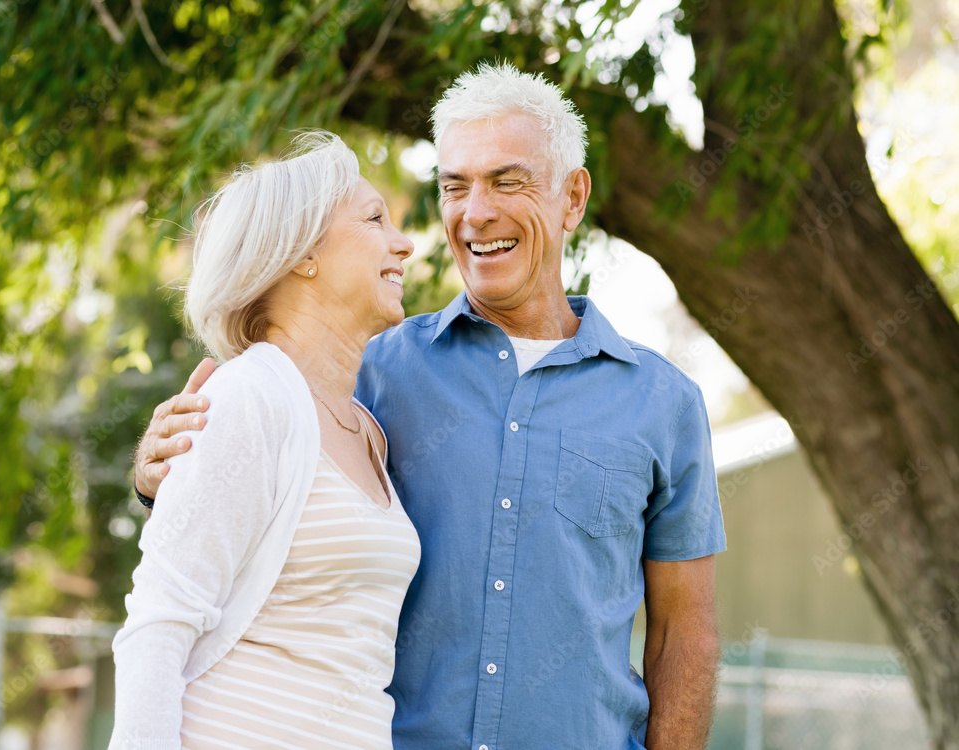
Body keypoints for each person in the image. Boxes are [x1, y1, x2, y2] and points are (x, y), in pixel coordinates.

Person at [133, 63, 726, 750]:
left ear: (572, 197)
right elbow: (242, 489)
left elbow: (686, 632)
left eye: (508, 181)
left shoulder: (663, 404)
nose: (475, 214)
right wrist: (161, 476)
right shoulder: (368, 370)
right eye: (455, 187)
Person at [110, 132, 419, 750]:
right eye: (374, 219)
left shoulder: (368, 431)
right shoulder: (251, 398)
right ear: (303, 252)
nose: (404, 242)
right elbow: (159, 621)